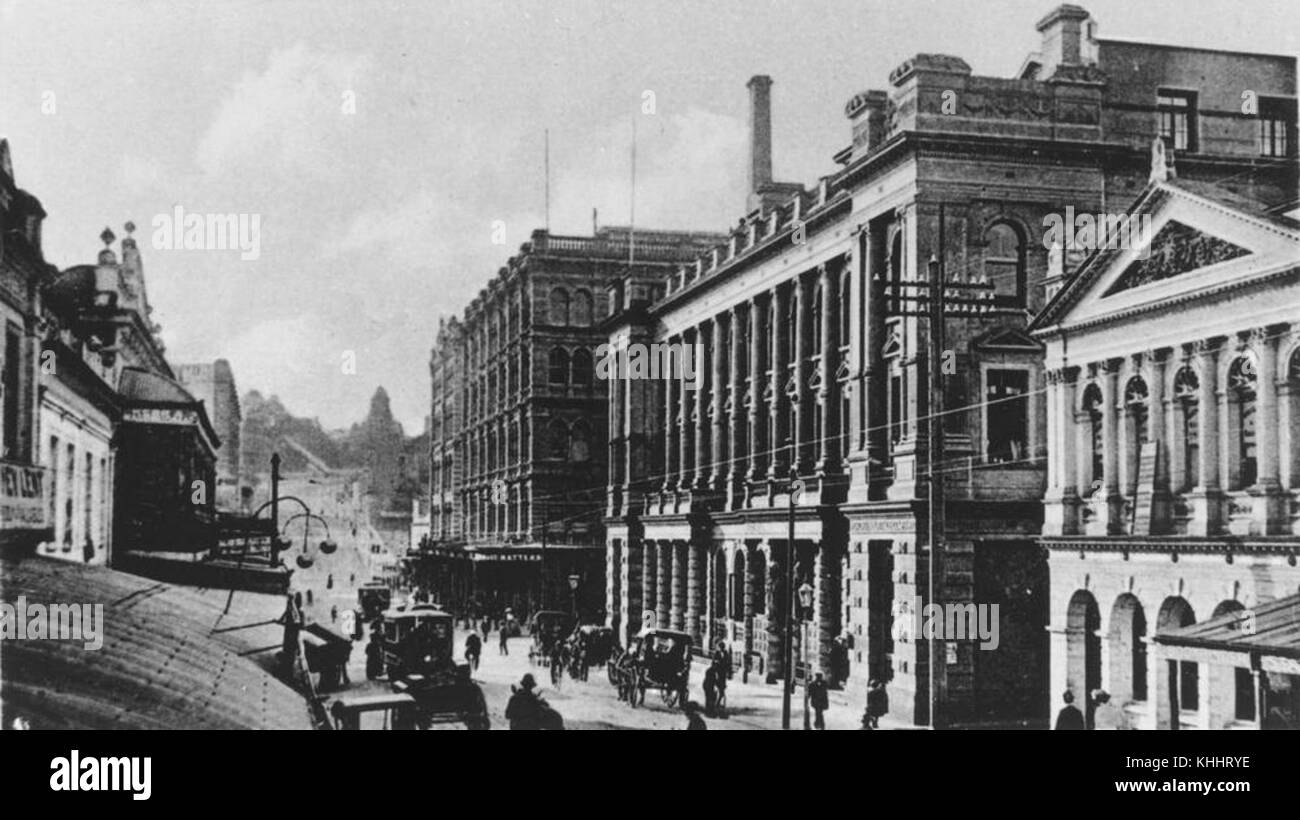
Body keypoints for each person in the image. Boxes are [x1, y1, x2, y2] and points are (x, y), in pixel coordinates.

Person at [275, 592, 305, 675]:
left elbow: (299, 622)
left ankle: (287, 670)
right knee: (289, 649)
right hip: (291, 631)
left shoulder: (298, 610)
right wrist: (280, 621)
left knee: (290, 649)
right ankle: (286, 668)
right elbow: (287, 613)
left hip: (293, 632)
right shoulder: (294, 608)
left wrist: (281, 621)